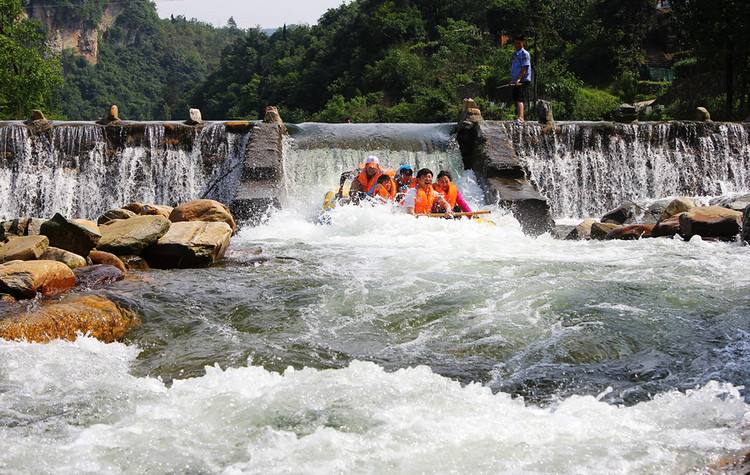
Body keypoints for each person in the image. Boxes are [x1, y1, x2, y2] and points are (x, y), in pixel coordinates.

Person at [510, 35, 532, 124]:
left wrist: (518, 79)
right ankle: (519, 116)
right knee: (516, 98)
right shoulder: (516, 54)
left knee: (520, 98)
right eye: (516, 43)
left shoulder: (524, 54)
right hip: (517, 80)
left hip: (522, 80)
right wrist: (513, 80)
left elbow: (524, 68)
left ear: (522, 43)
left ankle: (521, 118)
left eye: (519, 43)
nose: (517, 45)